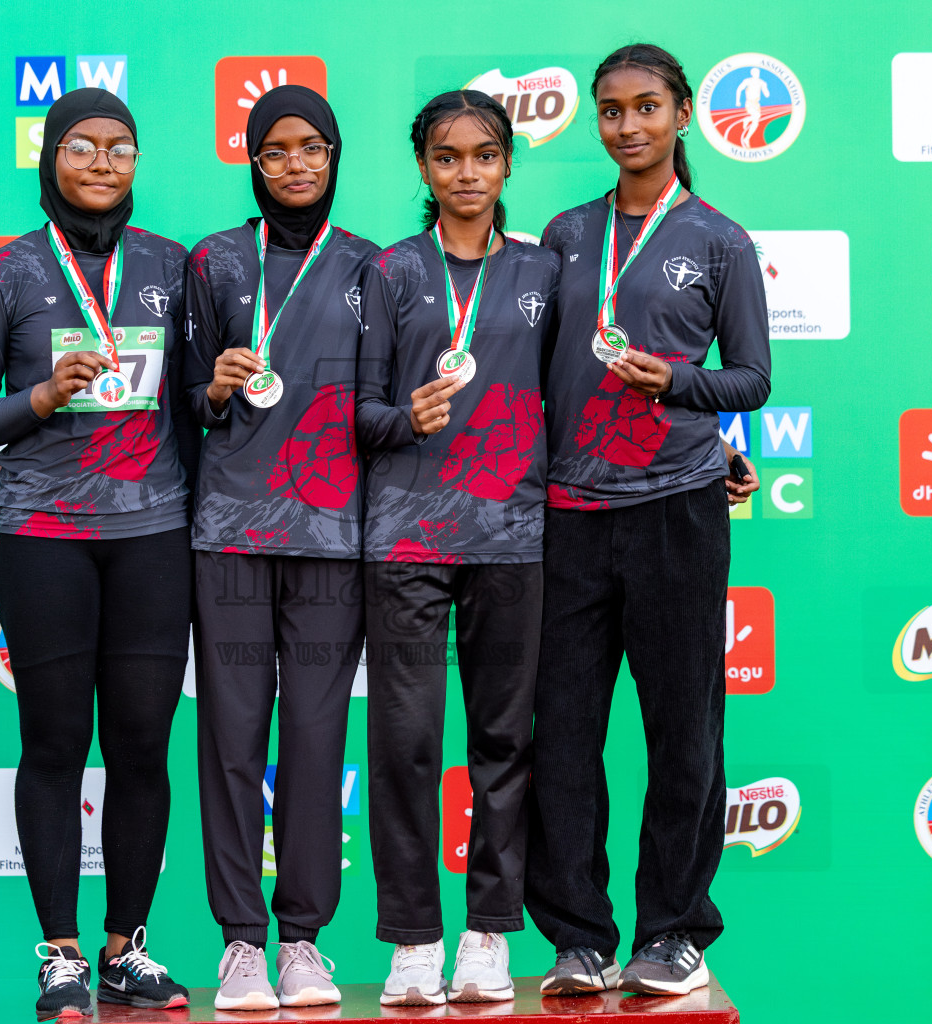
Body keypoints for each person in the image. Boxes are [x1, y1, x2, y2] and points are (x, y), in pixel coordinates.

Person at [524, 43, 769, 998]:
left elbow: (752, 376)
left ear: (684, 114)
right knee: (566, 734)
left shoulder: (720, 239)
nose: (629, 126)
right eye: (612, 110)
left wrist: (676, 383)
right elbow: (527, 369)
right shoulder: (564, 233)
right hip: (569, 514)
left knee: (684, 729)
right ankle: (579, 935)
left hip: (677, 508)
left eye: (647, 107)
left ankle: (674, 931)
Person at [0, 87, 196, 1021]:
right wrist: (46, 395)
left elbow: (198, 414)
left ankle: (128, 947)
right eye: (83, 146)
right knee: (53, 744)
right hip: (44, 540)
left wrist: (218, 388)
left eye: (121, 147)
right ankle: (58, 956)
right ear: (50, 156)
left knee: (141, 746)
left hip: (153, 539)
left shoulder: (172, 266)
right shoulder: (5, 274)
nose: (102, 162)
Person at [357, 90, 559, 1007]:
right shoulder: (393, 274)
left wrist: (707, 447)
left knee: (502, 741)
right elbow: (354, 412)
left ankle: (488, 934)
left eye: (483, 156)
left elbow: (588, 395)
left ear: (508, 162)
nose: (466, 174)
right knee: (403, 741)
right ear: (423, 168)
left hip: (513, 535)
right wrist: (406, 417)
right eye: (446, 158)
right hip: (406, 534)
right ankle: (412, 942)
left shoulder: (546, 271)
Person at [184, 84, 379, 1011]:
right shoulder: (215, 263)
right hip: (228, 530)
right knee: (229, 735)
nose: (297, 163)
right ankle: (239, 944)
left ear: (335, 156)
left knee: (312, 734)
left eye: (314, 147)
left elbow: (387, 413)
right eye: (277, 150)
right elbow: (178, 404)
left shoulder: (375, 267)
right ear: (252, 162)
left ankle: (302, 939)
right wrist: (214, 390)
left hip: (335, 537)